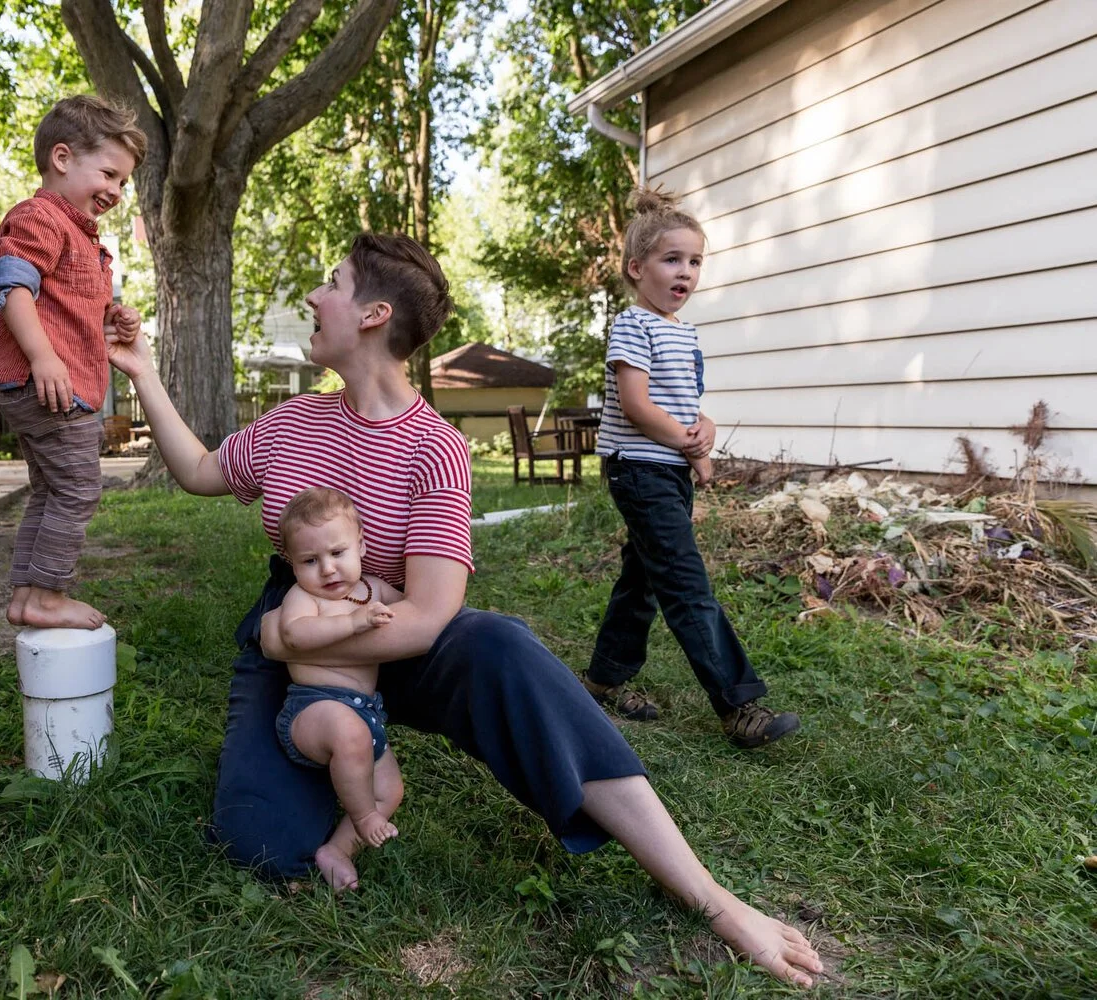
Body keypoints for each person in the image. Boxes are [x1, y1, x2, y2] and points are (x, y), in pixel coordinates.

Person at [104, 233, 823, 987]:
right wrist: (143, 371)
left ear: (374, 315)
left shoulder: (436, 448)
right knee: (262, 846)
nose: (314, 297)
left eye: (332, 283)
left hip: (383, 631)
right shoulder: (290, 424)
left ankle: (708, 895)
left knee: (502, 647)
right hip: (305, 649)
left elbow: (424, 619)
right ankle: (352, 748)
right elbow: (198, 469)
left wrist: (291, 642)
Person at [584, 189, 801, 749]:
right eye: (671, 259)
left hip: (667, 471)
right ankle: (739, 706)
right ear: (637, 268)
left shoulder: (682, 330)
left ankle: (605, 677)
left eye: (695, 261)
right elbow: (636, 405)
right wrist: (694, 449)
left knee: (642, 580)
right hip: (639, 470)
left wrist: (704, 425)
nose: (686, 272)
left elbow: (680, 402)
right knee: (686, 584)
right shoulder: (633, 325)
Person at [0, 95, 146, 631]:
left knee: (51, 490)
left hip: (46, 381)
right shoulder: (40, 219)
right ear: (62, 157)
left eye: (124, 182)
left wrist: (113, 319)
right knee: (78, 490)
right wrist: (43, 356)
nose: (116, 191)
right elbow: (12, 289)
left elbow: (69, 311)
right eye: (109, 174)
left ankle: (26, 595)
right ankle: (48, 597)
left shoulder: (78, 234)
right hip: (51, 386)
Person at [274, 487, 405, 881]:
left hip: (367, 712)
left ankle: (338, 849)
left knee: (390, 790)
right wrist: (352, 622)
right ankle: (363, 816)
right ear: (292, 564)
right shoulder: (303, 597)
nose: (327, 569)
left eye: (337, 553)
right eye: (310, 560)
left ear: (361, 545)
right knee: (349, 734)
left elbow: (413, 609)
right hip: (314, 708)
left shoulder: (374, 590)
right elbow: (295, 634)